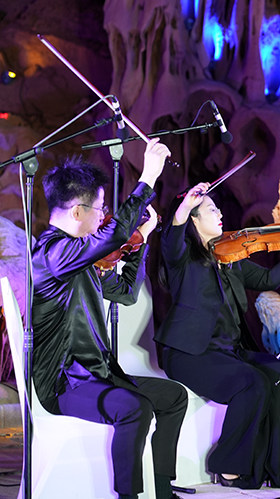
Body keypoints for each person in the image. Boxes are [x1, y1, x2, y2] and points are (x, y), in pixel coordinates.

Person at [31, 140, 188, 499]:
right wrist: (148, 178)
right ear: (77, 212)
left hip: (97, 375)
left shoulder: (80, 257)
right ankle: (127, 495)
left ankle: (163, 490)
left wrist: (141, 242)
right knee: (134, 408)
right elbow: (113, 234)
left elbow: (126, 293)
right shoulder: (52, 253)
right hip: (65, 383)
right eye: (100, 208)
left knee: (173, 396)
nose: (103, 216)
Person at [155, 181, 280, 489]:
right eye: (211, 209)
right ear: (194, 220)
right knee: (252, 382)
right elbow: (171, 237)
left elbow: (267, 278)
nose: (220, 213)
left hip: (228, 351)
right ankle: (228, 467)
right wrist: (185, 204)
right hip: (189, 354)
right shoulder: (182, 258)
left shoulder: (229, 257)